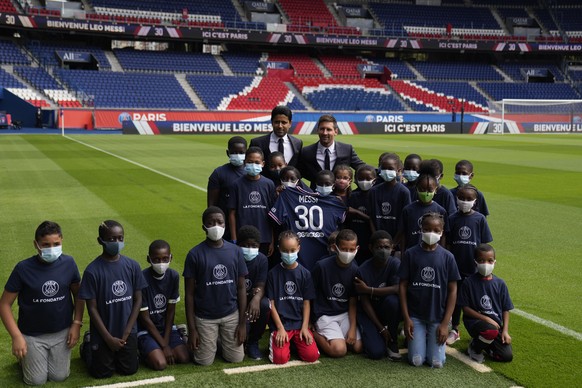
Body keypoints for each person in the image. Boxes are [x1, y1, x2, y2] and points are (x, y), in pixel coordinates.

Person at [0, 221, 84, 385]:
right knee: (36, 380)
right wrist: (17, 336)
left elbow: (78, 295)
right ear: (36, 244)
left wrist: (76, 323)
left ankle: (34, 358)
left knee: (59, 376)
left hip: (62, 332)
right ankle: (24, 359)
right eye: (45, 245)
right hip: (32, 335)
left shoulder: (69, 263)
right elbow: (4, 305)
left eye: (56, 244)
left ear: (62, 241)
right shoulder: (23, 268)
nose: (51, 249)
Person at [79, 220, 148, 378]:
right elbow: (92, 308)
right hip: (104, 332)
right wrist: (108, 338)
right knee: (102, 373)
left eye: (120, 238)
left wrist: (127, 332)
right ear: (100, 241)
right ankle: (88, 346)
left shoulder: (133, 266)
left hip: (127, 331)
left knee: (129, 370)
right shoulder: (92, 271)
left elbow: (138, 300)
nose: (117, 242)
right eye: (111, 239)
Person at [183, 207, 247, 366]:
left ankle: (217, 340)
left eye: (219, 222)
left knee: (235, 358)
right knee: (203, 362)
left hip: (231, 314)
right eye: (211, 223)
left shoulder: (235, 251)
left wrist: (242, 323)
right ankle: (183, 333)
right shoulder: (194, 254)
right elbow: (189, 294)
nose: (216, 226)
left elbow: (241, 288)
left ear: (225, 225)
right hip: (205, 317)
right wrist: (192, 330)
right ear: (204, 226)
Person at [398, 213, 460, 368]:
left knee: (436, 363)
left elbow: (453, 291)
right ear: (421, 229)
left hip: (438, 317)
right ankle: (419, 339)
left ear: (442, 231)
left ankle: (429, 340)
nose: (431, 233)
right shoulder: (411, 254)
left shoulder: (448, 257)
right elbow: (402, 286)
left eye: (436, 230)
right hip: (415, 316)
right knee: (416, 361)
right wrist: (407, 318)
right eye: (427, 229)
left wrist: (445, 324)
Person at [269, 170, 347, 271]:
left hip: (308, 254)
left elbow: (274, 220)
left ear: (333, 185)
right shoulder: (288, 195)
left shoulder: (288, 195)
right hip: (306, 254)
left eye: (327, 184)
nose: (324, 186)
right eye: (321, 184)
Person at [446, 184, 493, 345]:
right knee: (455, 298)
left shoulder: (479, 219)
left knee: (474, 299)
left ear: (475, 201)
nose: (464, 201)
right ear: (456, 199)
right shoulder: (452, 218)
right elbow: (448, 244)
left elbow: (485, 245)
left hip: (473, 267)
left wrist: (484, 264)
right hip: (456, 266)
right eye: (461, 198)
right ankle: (455, 328)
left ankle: (481, 328)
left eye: (469, 199)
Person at [266, 231, 319, 364]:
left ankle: (294, 343)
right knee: (280, 359)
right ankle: (284, 342)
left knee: (311, 356)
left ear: (298, 249)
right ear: (279, 249)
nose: (289, 254)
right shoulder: (272, 274)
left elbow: (307, 303)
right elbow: (271, 303)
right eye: (285, 250)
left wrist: (305, 327)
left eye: (292, 250)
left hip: (299, 324)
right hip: (282, 325)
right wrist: (280, 328)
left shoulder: (305, 274)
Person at [137, 240, 189, 370]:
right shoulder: (142, 278)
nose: (161, 263)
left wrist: (165, 341)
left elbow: (170, 312)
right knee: (161, 364)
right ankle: (141, 350)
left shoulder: (173, 276)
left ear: (171, 257)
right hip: (146, 330)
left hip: (166, 328)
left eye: (165, 259)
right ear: (149, 259)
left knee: (184, 358)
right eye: (157, 259)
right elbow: (145, 318)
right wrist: (164, 346)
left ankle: (180, 335)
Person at [458, 244, 513, 363]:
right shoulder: (469, 282)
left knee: (506, 356)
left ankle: (484, 343)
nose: (486, 264)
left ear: (495, 262)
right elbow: (465, 309)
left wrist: (505, 331)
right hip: (475, 322)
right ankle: (474, 348)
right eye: (481, 261)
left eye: (490, 261)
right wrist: (487, 319)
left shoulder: (500, 284)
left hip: (496, 326)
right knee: (490, 331)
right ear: (475, 262)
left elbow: (506, 308)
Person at [311, 229, 362, 357]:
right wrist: (310, 321)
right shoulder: (321, 266)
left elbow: (353, 301)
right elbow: (310, 294)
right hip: (324, 314)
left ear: (357, 248)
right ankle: (314, 333)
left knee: (358, 347)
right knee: (339, 350)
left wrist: (352, 328)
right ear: (335, 247)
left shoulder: (356, 270)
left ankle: (338, 336)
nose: (348, 253)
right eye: (344, 249)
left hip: (344, 314)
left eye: (351, 250)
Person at [354, 230, 401, 360]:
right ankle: (376, 334)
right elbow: (364, 302)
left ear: (392, 248)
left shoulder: (395, 264)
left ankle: (393, 341)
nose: (383, 250)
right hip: (369, 314)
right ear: (371, 248)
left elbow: (397, 288)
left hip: (386, 308)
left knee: (394, 302)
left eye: (386, 247)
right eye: (379, 247)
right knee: (376, 353)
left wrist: (369, 290)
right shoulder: (362, 270)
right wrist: (380, 329)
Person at [228, 146, 276, 256]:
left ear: (263, 164)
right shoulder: (236, 184)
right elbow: (232, 213)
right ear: (245, 162)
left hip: (264, 238)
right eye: (250, 162)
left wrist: (272, 240)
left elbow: (273, 214)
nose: (253, 165)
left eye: (257, 162)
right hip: (243, 238)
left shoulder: (269, 184)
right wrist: (234, 238)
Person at [298, 114, 365, 188]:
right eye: (322, 129)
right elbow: (297, 174)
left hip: (340, 197)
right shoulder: (306, 152)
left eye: (328, 129)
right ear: (317, 130)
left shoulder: (347, 149)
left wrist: (379, 172)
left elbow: (361, 167)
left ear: (336, 131)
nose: (325, 133)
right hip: (316, 197)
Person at [237, 225, 270, 360]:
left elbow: (261, 285)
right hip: (236, 299)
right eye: (246, 245)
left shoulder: (262, 259)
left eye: (254, 245)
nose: (250, 249)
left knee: (263, 304)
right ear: (239, 245)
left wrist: (256, 298)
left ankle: (253, 341)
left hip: (251, 298)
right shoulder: (234, 258)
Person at [207, 136, 248, 241]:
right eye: (234, 152)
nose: (237, 155)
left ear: (246, 152)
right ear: (227, 152)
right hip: (226, 225)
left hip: (248, 221)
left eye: (241, 152)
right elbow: (212, 205)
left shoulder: (252, 173)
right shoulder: (219, 173)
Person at [398, 173, 448, 252]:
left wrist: (441, 252)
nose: (426, 193)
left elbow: (444, 235)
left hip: (433, 252)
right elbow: (403, 233)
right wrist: (403, 253)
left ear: (435, 190)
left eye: (430, 190)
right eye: (422, 189)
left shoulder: (441, 210)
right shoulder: (408, 210)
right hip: (412, 252)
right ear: (416, 189)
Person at [368, 153, 411, 243]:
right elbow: (371, 217)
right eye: (384, 168)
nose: (387, 171)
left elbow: (405, 221)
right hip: (377, 242)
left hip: (396, 242)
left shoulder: (404, 192)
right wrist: (376, 238)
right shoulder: (373, 191)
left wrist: (394, 243)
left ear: (398, 170)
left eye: (390, 169)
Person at [347, 165, 377, 264]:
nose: (364, 181)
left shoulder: (376, 197)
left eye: (368, 178)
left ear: (375, 180)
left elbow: (372, 219)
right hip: (354, 241)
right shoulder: (352, 196)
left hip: (370, 241)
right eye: (361, 178)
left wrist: (356, 212)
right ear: (356, 179)